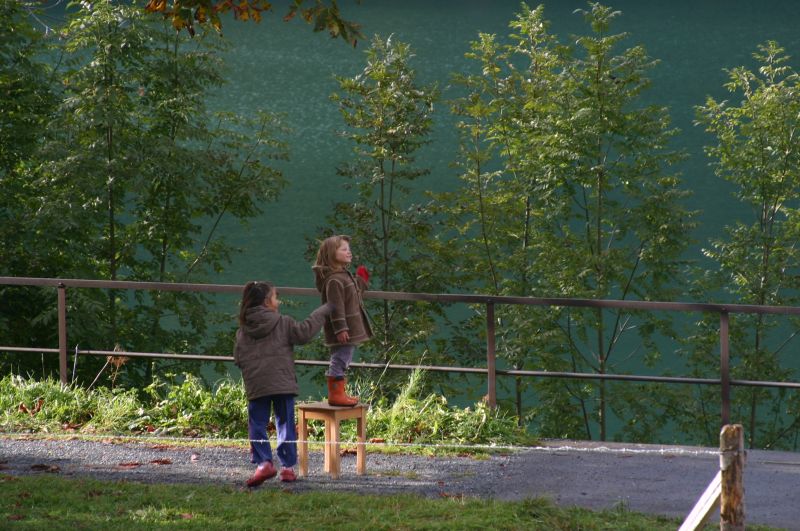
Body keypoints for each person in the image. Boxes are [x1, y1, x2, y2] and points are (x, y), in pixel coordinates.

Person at [233, 280, 333, 487]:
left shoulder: (243, 330)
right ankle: (287, 467)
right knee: (285, 422)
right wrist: (324, 311)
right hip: (282, 382)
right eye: (275, 297)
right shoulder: (283, 322)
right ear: (267, 301)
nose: (278, 301)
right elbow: (304, 333)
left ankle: (264, 462)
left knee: (257, 423)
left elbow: (238, 358)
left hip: (257, 384)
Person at [312, 235, 373, 407]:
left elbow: (352, 295)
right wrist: (340, 328)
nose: (349, 252)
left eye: (349, 249)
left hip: (347, 328)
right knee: (340, 358)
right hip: (343, 330)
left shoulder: (342, 275)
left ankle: (339, 392)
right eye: (344, 249)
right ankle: (336, 394)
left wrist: (361, 280)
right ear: (332, 254)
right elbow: (335, 306)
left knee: (343, 358)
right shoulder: (334, 279)